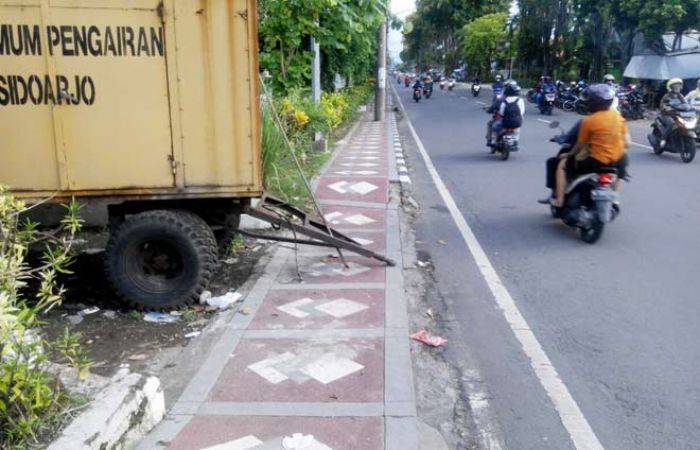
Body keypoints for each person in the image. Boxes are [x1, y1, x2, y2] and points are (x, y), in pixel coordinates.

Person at [548, 84, 629, 207]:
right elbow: (627, 142)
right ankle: (615, 198)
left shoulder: (589, 120)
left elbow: (580, 145)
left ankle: (559, 200)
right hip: (617, 161)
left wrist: (568, 154)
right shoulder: (618, 118)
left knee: (562, 164)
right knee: (621, 170)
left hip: (595, 161)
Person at [488, 80, 525, 146]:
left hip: (505, 121)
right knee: (517, 129)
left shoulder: (504, 99)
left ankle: (493, 140)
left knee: (493, 126)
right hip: (517, 121)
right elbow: (522, 112)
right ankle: (515, 141)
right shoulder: (520, 100)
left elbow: (501, 113)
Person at [658, 78, 688, 145]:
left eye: (679, 85)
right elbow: (662, 105)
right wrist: (666, 107)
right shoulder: (667, 96)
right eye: (675, 86)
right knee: (671, 124)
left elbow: (685, 103)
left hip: (677, 114)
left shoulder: (680, 95)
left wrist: (689, 107)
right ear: (670, 87)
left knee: (685, 123)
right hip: (667, 115)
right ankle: (663, 139)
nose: (677, 87)